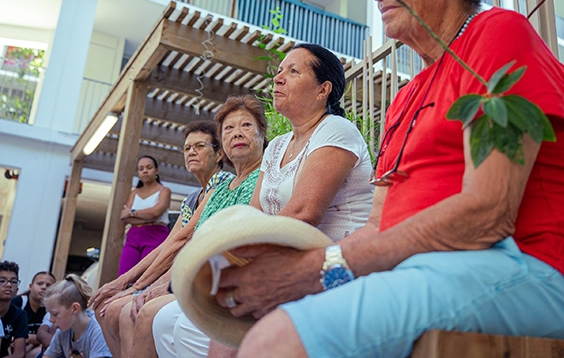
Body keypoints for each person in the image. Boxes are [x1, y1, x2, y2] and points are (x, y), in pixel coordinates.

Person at [207, 0, 564, 357]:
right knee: (231, 336)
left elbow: (487, 212)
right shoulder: (406, 98)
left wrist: (313, 270)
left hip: (541, 270)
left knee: (278, 339)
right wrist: (289, 270)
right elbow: (377, 228)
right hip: (429, 268)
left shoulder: (497, 34)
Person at [156, 44, 374, 358]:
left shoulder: (336, 130)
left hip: (330, 267)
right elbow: (253, 215)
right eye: (280, 71)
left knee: (215, 331)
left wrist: (242, 262)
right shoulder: (277, 146)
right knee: (174, 323)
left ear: (323, 90)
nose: (278, 79)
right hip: (285, 259)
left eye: (293, 71)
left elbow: (304, 212)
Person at [88, 120, 234, 358]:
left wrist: (139, 287)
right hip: (174, 271)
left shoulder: (222, 182)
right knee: (105, 309)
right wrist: (121, 283)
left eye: (199, 146)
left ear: (219, 153)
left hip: (198, 278)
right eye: (187, 148)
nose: (191, 152)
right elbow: (168, 244)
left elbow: (187, 241)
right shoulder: (192, 197)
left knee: (123, 312)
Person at [118, 156, 172, 276]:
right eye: (141, 169)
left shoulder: (164, 191)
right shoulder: (134, 192)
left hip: (155, 234)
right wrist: (147, 216)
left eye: (149, 167)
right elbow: (124, 216)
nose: (145, 171)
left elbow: (156, 213)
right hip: (133, 236)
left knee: (147, 276)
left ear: (156, 170)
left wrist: (133, 212)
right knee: (124, 275)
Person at [42, 275, 111, 358]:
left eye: (55, 314)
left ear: (75, 308)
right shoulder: (63, 330)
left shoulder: (98, 331)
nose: (51, 320)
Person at [11, 272, 55, 358]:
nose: (44, 287)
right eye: (40, 283)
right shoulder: (18, 303)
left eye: (48, 285)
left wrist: (29, 338)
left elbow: (51, 338)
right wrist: (34, 339)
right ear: (30, 286)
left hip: (33, 350)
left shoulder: (51, 310)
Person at [0, 261, 27, 358]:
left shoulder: (19, 314)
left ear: (17, 290)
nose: (8, 285)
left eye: (13, 282)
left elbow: (19, 353)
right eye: (2, 281)